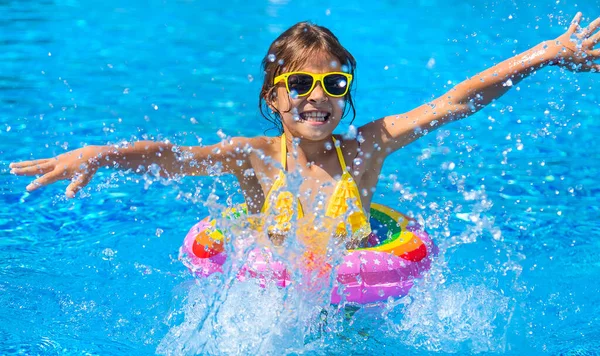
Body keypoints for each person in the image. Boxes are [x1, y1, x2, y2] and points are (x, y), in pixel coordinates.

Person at [9, 14, 600, 249]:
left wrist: (544, 54)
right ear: (274, 95)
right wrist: (101, 153)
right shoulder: (253, 157)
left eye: (334, 86)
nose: (318, 99)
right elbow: (174, 157)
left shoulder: (366, 146)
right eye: (301, 85)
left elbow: (454, 102)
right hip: (271, 304)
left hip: (358, 300)